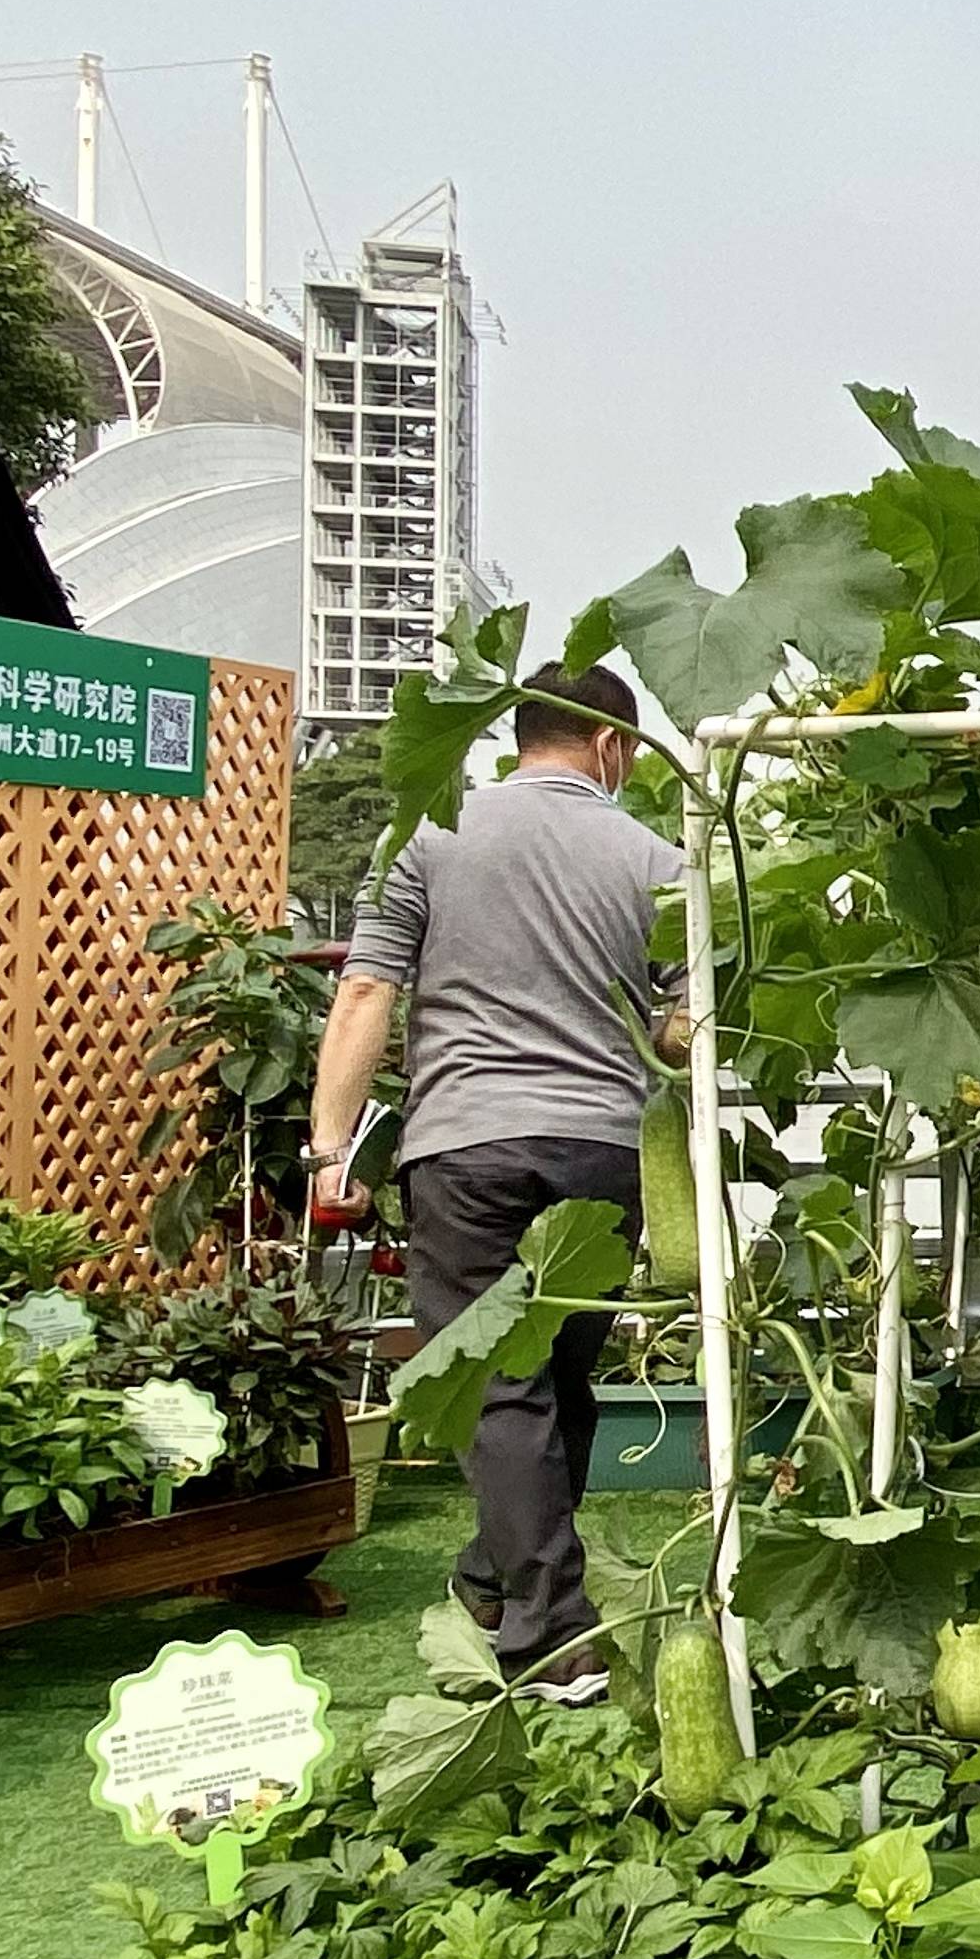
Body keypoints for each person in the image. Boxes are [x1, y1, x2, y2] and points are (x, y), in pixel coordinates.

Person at [309, 663, 679, 1699]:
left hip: (465, 1146)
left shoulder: (427, 835)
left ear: (519, 738)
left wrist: (329, 1146)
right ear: (612, 747)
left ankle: (550, 1637)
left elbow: (368, 990)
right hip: (604, 1153)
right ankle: (502, 1584)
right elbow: (690, 1028)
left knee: (500, 1392)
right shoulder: (659, 857)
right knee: (555, 1379)